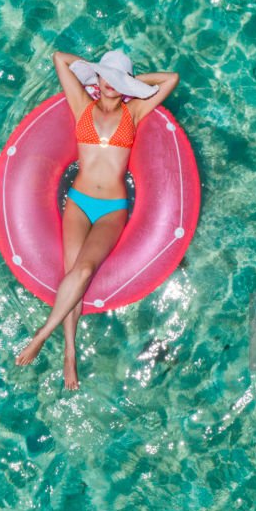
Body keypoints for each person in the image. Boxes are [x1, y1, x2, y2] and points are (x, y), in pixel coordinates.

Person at [14, 49, 180, 389]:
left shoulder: (134, 111)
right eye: (108, 79)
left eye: (120, 82)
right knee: (72, 273)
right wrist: (94, 71)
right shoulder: (82, 107)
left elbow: (171, 80)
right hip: (78, 201)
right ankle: (70, 353)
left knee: (85, 270)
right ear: (98, 80)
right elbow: (60, 59)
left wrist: (131, 83)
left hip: (112, 208)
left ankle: (42, 335)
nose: (112, 87)